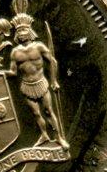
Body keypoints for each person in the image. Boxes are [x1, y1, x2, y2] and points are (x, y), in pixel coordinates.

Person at [7, 13, 69, 150]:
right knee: (36, 114)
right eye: (18, 31)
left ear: (29, 30)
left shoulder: (39, 46)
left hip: (41, 83)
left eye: (23, 30)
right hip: (26, 87)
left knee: (48, 111)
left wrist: (54, 81)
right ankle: (44, 135)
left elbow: (52, 62)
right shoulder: (15, 52)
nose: (21, 33)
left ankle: (59, 138)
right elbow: (13, 72)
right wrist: (2, 74)